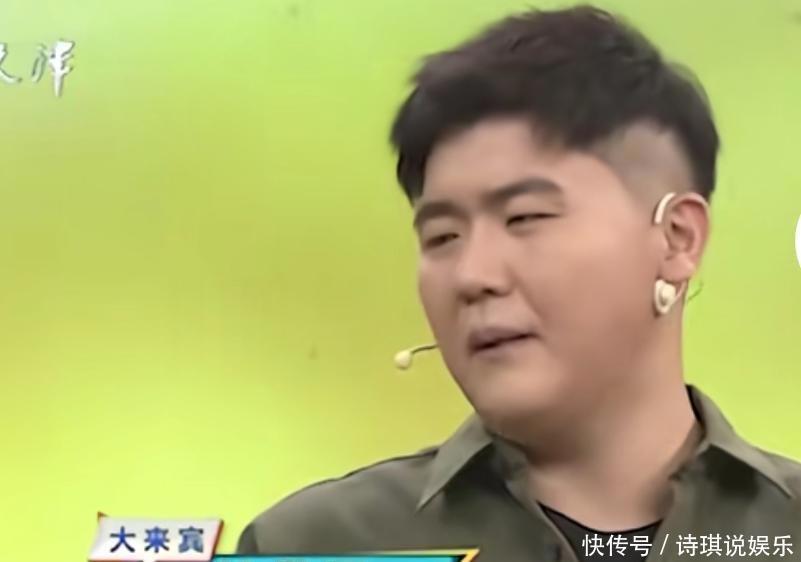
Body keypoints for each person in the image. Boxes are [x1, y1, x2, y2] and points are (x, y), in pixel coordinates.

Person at [237, 5, 801, 561]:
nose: (473, 276)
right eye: (442, 236)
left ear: (677, 238)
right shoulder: (314, 545)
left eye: (526, 217)